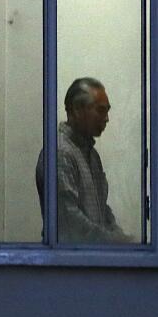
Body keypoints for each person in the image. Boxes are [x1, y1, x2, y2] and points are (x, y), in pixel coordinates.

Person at [34, 77, 127, 243]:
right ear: (77, 109)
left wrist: (122, 238)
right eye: (101, 110)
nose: (106, 118)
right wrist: (117, 242)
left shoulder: (92, 155)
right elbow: (70, 224)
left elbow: (102, 209)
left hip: (89, 259)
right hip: (67, 264)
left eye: (107, 111)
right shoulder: (59, 154)